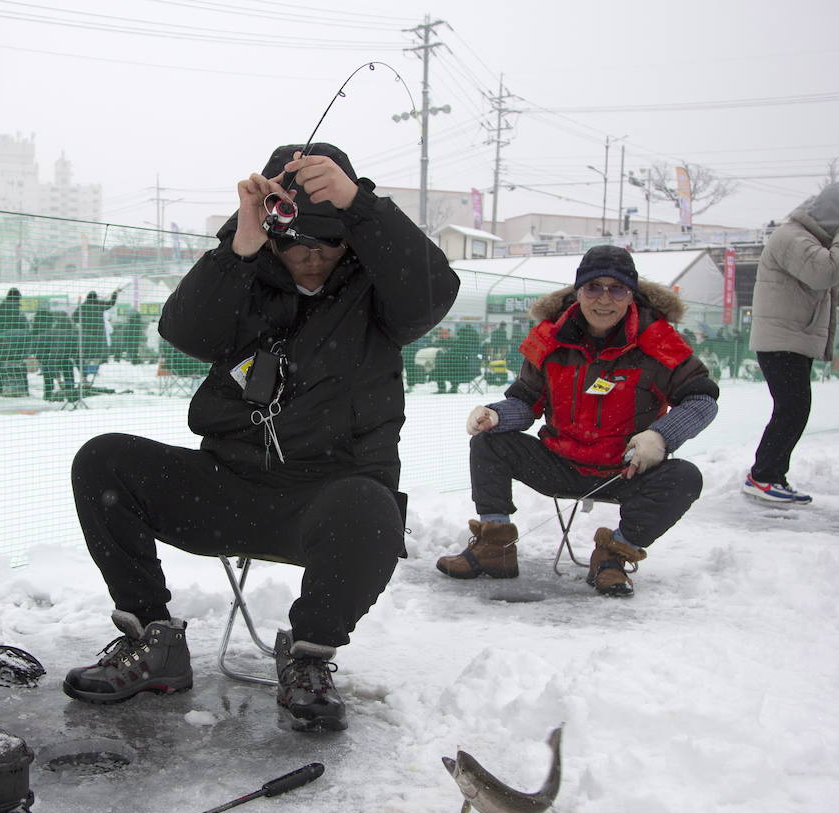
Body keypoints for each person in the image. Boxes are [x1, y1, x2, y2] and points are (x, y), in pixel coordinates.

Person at [63, 143, 459, 732]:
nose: (313, 254)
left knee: (372, 507)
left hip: (327, 505)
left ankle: (309, 658)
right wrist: (239, 244)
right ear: (274, 232)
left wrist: (358, 203)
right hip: (227, 487)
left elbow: (433, 293)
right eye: (297, 238)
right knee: (103, 461)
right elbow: (186, 332)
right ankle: (154, 639)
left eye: (330, 238)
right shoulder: (246, 275)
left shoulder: (377, 293)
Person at [436, 245, 719, 597]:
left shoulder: (659, 342)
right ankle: (494, 547)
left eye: (616, 289)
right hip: (559, 463)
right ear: (577, 291)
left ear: (631, 294)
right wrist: (496, 414)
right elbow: (526, 400)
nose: (604, 299)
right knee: (489, 441)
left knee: (684, 478)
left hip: (624, 470)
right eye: (593, 288)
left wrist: (660, 438)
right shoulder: (550, 338)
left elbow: (702, 399)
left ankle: (612, 555)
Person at [742, 183, 839, 505]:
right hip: (780, 340)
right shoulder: (792, 237)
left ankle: (770, 474)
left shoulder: (808, 240)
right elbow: (825, 274)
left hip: (793, 338)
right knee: (793, 408)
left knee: (793, 409)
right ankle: (763, 476)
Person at [72, 289, 117, 382]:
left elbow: (74, 317)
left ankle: (84, 375)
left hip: (86, 334)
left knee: (86, 354)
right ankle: (93, 371)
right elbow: (111, 303)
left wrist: (82, 321)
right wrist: (114, 294)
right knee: (96, 354)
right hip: (98, 335)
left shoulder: (82, 307)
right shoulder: (99, 305)